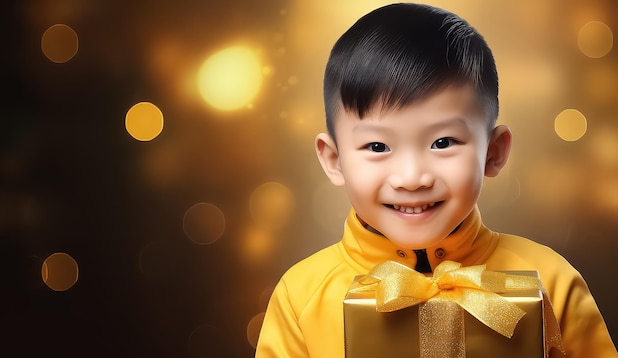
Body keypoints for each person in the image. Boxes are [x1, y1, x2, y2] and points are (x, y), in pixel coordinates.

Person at [255, 3, 616, 357]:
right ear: (334, 160)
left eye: (443, 142)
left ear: (493, 152)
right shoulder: (300, 295)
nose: (412, 178)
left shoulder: (550, 279)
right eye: (378, 146)